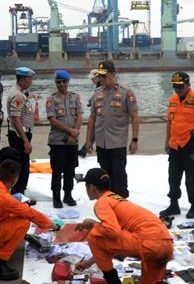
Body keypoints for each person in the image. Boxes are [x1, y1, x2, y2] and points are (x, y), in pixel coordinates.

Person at [75, 168, 180, 284]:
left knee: (94, 235)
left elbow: (112, 233)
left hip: (146, 242)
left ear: (92, 187)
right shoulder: (117, 199)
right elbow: (114, 244)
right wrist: (90, 262)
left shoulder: (102, 202)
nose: (87, 190)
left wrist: (93, 225)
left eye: (86, 187)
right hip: (165, 244)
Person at [85, 61, 139, 198]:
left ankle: (121, 201)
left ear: (113, 75)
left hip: (117, 143)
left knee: (119, 175)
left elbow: (135, 117)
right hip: (102, 143)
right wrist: (88, 140)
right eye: (100, 76)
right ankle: (107, 201)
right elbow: (92, 118)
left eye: (104, 76)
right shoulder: (97, 94)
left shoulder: (126, 93)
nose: (101, 79)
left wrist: (135, 140)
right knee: (104, 176)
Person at [160, 72, 194, 219]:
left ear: (188, 84)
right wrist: (167, 140)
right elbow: (170, 121)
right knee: (173, 176)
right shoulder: (173, 99)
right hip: (175, 144)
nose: (177, 90)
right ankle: (174, 204)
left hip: (190, 144)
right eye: (175, 87)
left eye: (180, 87)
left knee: (192, 177)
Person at [46, 70, 82, 208]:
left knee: (70, 169)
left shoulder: (76, 97)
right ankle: (56, 197)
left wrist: (75, 133)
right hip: (57, 141)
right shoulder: (51, 99)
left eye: (64, 81)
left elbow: (79, 116)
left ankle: (68, 195)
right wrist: (71, 131)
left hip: (72, 141)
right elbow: (52, 120)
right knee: (57, 170)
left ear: (68, 82)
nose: (61, 84)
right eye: (58, 82)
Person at [6, 67, 36, 194]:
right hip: (20, 136)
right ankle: (19, 193)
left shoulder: (19, 92)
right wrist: (25, 141)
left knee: (21, 165)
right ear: (22, 80)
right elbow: (15, 118)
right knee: (22, 167)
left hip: (20, 134)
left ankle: (19, 191)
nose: (31, 82)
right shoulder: (18, 95)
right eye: (30, 79)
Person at [78, 69, 104, 157]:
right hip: (98, 112)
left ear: (98, 77)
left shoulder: (101, 86)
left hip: (100, 113)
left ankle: (84, 149)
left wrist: (92, 101)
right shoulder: (98, 85)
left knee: (96, 131)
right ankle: (84, 149)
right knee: (95, 132)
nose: (92, 80)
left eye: (93, 78)